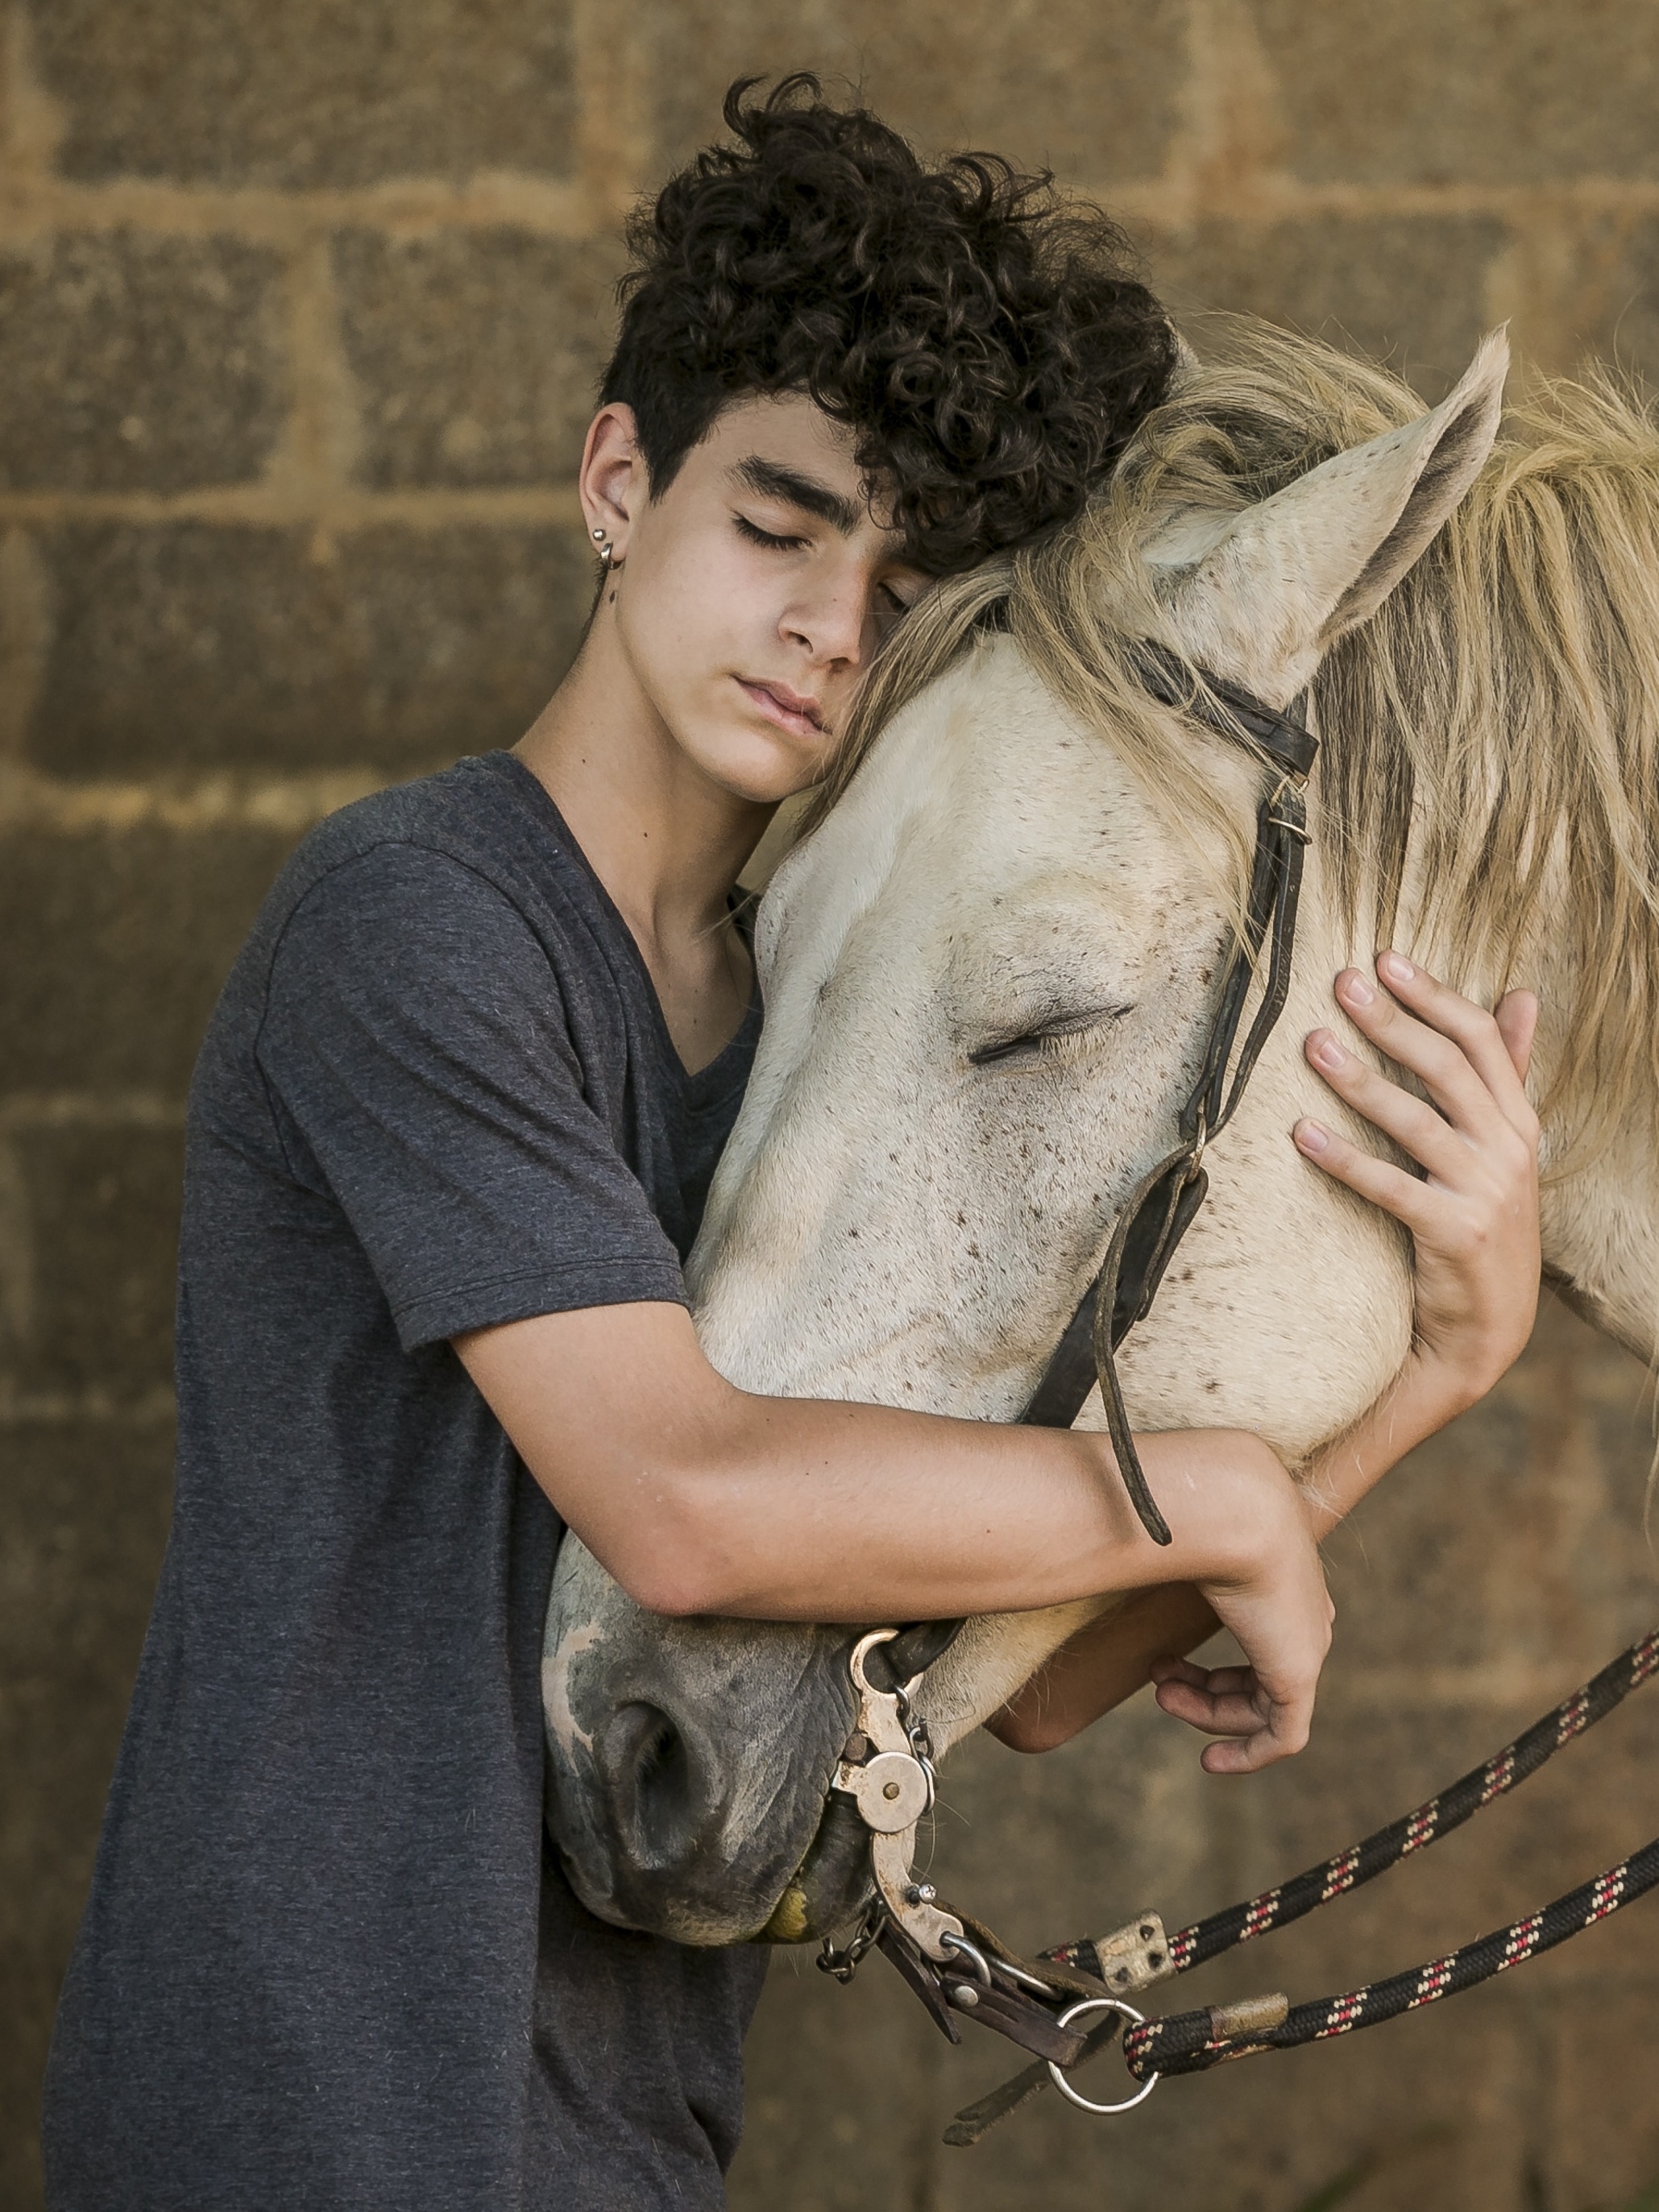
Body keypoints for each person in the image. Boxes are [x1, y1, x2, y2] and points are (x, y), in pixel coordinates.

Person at [41, 76, 1541, 2212]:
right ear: (614, 481)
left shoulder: (798, 1018)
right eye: (775, 521)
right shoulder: (415, 920)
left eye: (897, 571)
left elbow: (1026, 1673)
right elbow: (684, 1503)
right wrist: (1209, 1487)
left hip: (619, 2130)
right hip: (315, 2100)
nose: (832, 622)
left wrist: (1429, 1375)